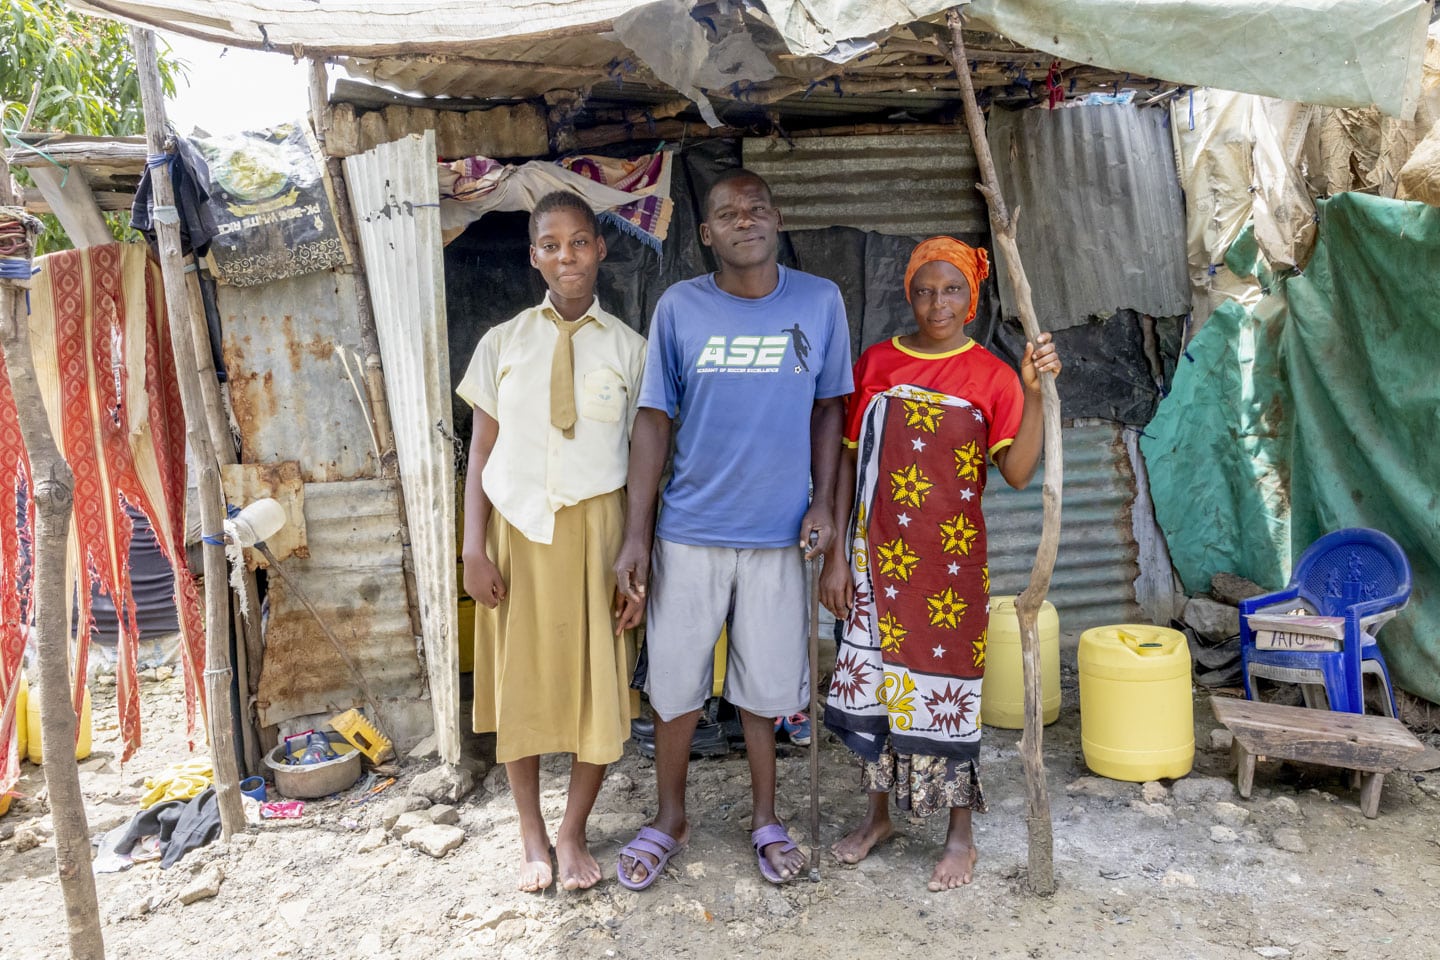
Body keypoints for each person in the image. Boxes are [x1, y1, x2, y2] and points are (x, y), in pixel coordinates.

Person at [612, 168, 853, 889]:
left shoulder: (820, 301)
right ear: (707, 233)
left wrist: (827, 511)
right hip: (689, 530)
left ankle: (765, 817)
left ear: (776, 219)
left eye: (756, 208)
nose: (744, 220)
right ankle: (669, 816)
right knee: (677, 688)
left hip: (781, 534)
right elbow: (653, 420)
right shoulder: (680, 308)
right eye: (727, 213)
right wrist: (636, 534)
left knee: (765, 687)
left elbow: (831, 411)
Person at [818, 236, 1062, 891]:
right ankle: (878, 818)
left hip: (948, 574)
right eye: (925, 290)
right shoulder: (875, 365)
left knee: (948, 697)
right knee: (874, 693)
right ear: (909, 293)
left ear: (972, 298)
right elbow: (847, 464)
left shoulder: (992, 376)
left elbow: (1014, 472)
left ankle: (961, 835)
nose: (938, 303)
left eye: (952, 290)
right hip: (875, 563)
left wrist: (1034, 394)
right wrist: (837, 555)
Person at [457, 190, 647, 893]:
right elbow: (480, 454)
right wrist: (472, 549)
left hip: (598, 534)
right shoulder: (503, 342)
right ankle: (531, 834)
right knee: (521, 687)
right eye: (549, 244)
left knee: (598, 685)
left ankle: (573, 833)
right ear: (533, 255)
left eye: (577, 242)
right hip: (516, 534)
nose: (564, 256)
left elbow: (646, 462)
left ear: (600, 248)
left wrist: (637, 557)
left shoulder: (631, 349)